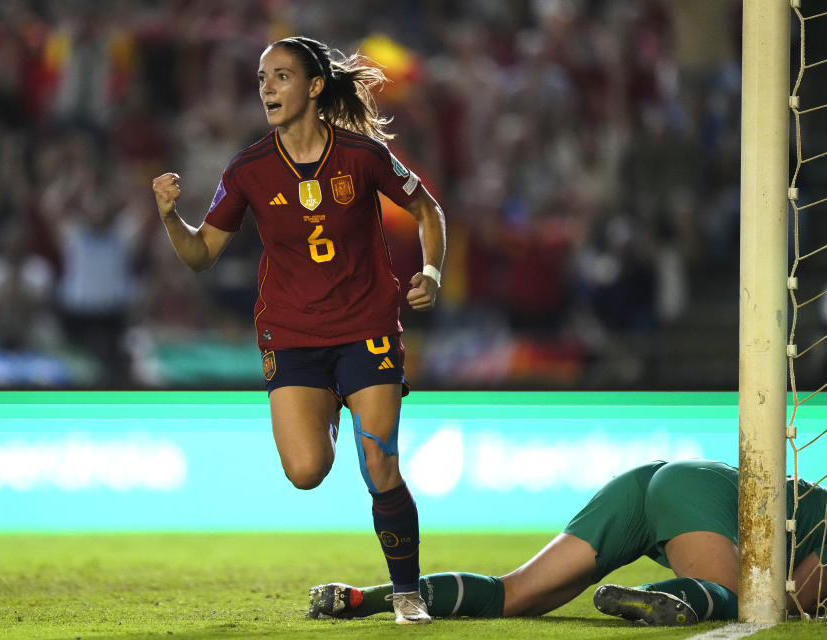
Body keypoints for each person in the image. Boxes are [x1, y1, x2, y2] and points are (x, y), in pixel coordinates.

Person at [152, 36, 446, 625]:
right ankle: (336, 399)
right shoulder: (249, 170)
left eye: (280, 76)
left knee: (378, 465)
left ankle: (407, 593)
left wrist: (432, 274)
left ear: (314, 87)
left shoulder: (362, 156)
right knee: (306, 471)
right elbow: (201, 254)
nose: (266, 88)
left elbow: (427, 210)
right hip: (291, 336)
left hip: (366, 325)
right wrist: (169, 218)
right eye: (262, 78)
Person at [307, 459, 827, 625]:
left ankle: (369, 598)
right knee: (754, 609)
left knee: (512, 594)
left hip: (654, 478)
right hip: (692, 492)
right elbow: (791, 604)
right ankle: (658, 596)